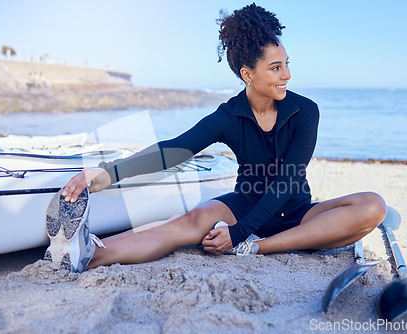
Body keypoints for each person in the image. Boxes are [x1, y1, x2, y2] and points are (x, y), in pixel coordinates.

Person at [44, 3, 386, 273]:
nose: (288, 75)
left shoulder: (305, 111)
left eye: (286, 64)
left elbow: (287, 182)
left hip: (296, 213)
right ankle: (87, 254)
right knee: (186, 223)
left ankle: (259, 247)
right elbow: (174, 150)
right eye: (276, 68)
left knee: (373, 205)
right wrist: (108, 173)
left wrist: (240, 237)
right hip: (243, 204)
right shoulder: (229, 116)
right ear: (247, 75)